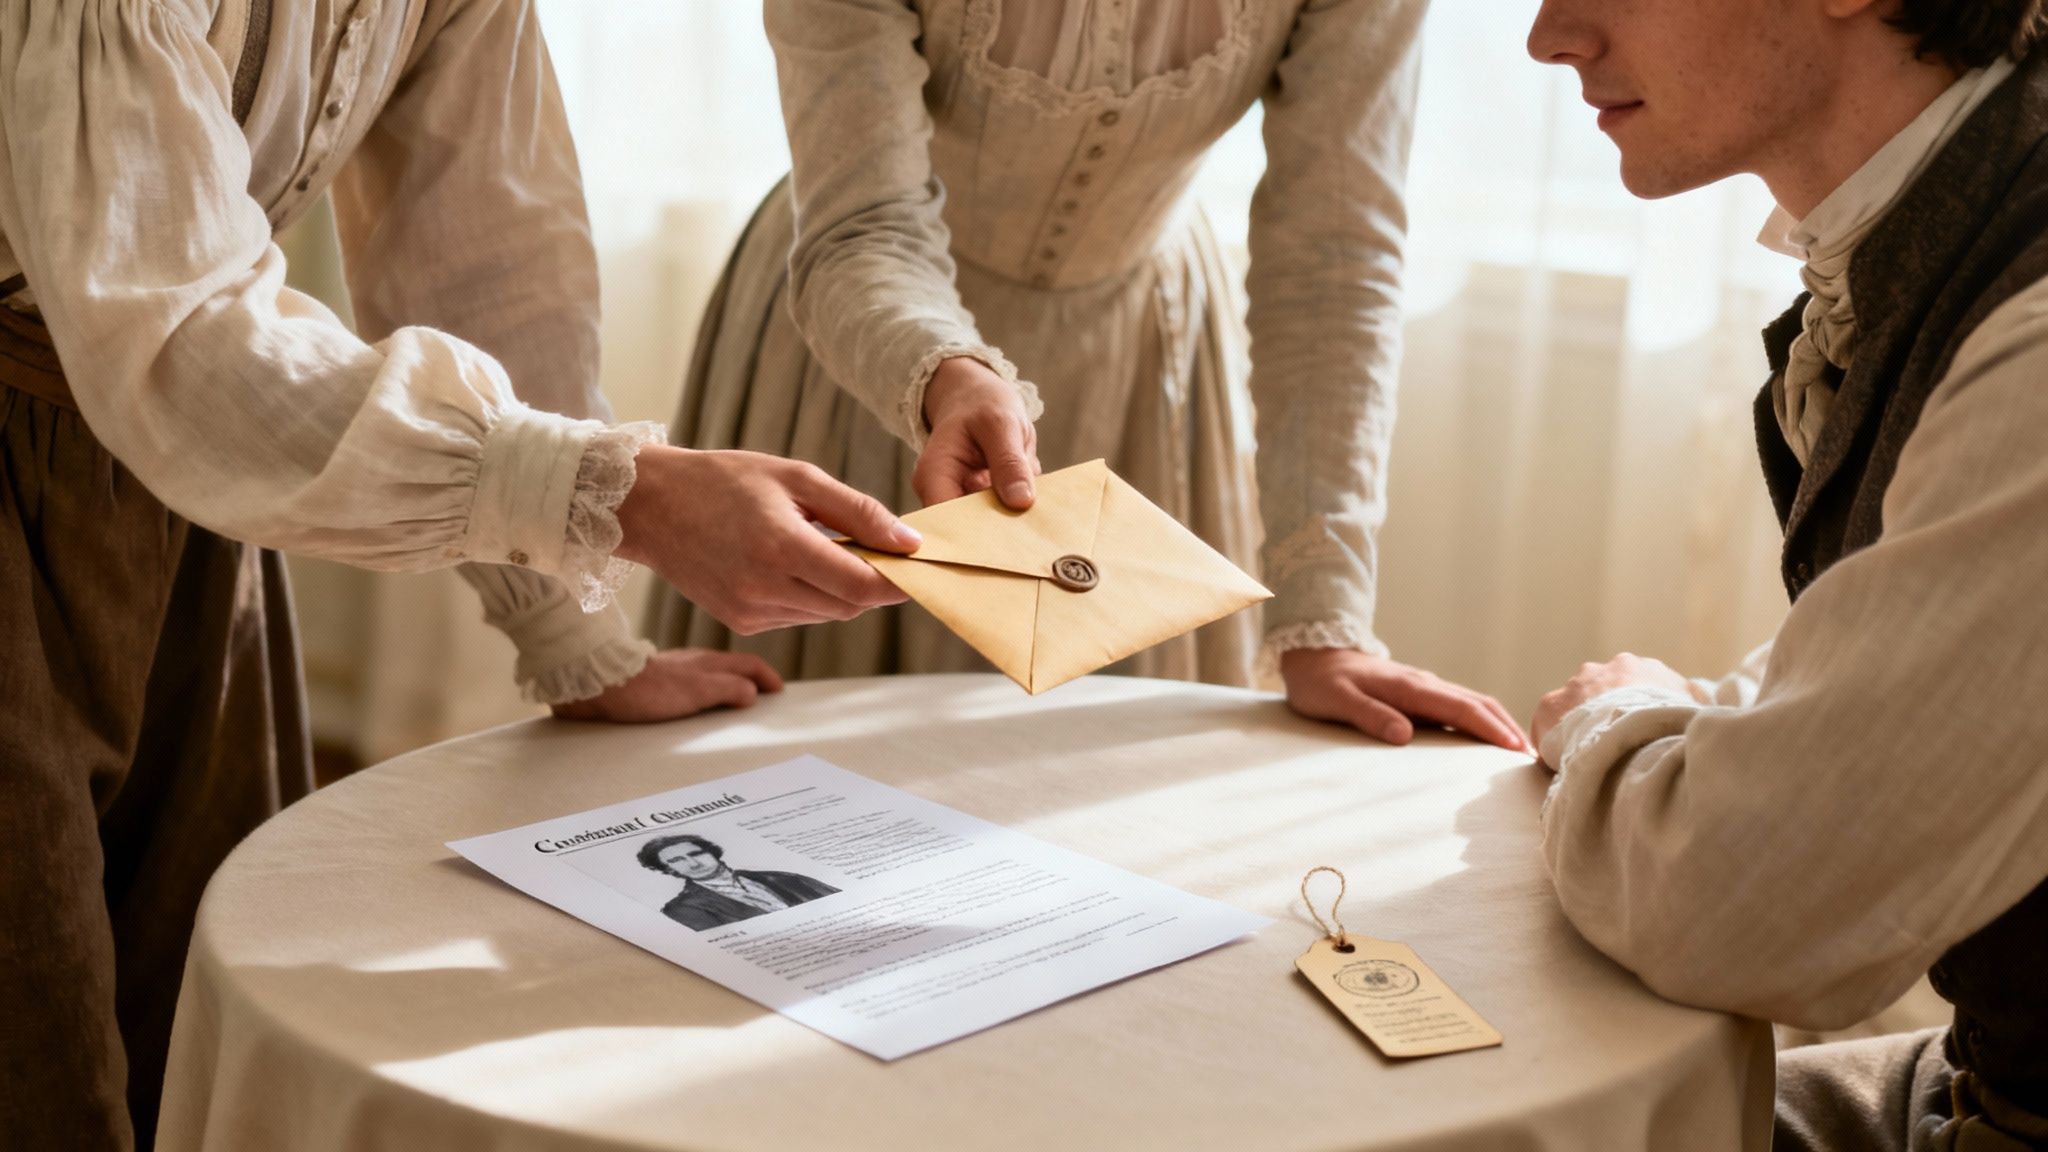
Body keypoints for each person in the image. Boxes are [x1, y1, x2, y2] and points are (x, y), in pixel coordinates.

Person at [0, 2, 920, 1147]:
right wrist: (623, 496)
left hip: (195, 494)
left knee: (178, 1008)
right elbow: (178, 343)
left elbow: (486, 248)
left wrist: (570, 632)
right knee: (40, 1058)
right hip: (107, 431)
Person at [644, 0, 1527, 753]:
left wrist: (1325, 622)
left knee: (1097, 822)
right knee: (800, 800)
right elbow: (863, 223)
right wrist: (944, 374)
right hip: (857, 339)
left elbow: (1335, 259)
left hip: (1143, 368)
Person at [1524, 0, 2048, 1146]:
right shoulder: (1951, 229)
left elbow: (1734, 908)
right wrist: (1698, 730)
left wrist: (1615, 719)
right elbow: (1900, 650)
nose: (1548, 35)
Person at [637, 834, 840, 931]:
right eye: (677, 860)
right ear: (669, 869)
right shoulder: (681, 910)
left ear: (712, 853)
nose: (692, 863)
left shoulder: (784, 878)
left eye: (696, 853)